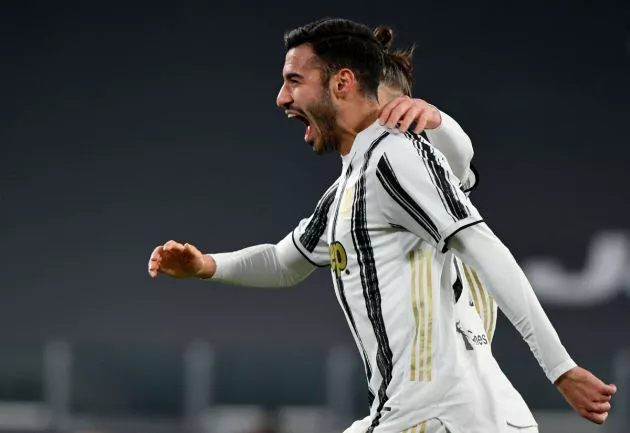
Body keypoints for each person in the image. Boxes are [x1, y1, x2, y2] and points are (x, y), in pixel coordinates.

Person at [149, 18, 616, 433]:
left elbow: (481, 238)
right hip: (445, 414)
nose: (282, 97)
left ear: (342, 83)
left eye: (294, 80)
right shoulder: (352, 185)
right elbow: (284, 260)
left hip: (436, 418)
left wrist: (559, 367)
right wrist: (207, 264)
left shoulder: (394, 156)